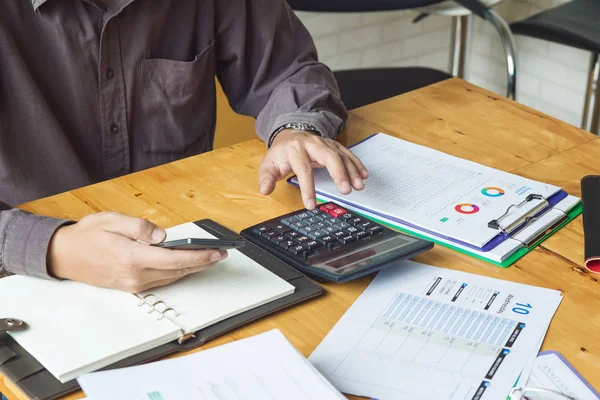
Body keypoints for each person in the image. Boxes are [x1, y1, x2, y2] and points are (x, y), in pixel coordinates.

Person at [0, 0, 367, 294]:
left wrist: (295, 128)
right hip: (30, 273)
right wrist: (54, 249)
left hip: (187, 254)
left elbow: (286, 70)